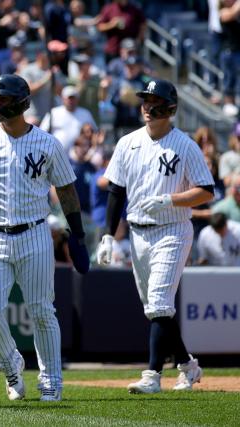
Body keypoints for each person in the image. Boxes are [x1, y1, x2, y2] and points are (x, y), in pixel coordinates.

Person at [0, 74, 90, 402]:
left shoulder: (47, 143)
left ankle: (51, 379)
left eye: (2, 100)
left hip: (34, 233)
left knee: (42, 310)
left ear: (20, 103)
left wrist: (78, 235)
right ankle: (12, 365)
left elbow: (66, 188)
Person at [96, 79, 213, 394]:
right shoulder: (127, 142)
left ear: (171, 109)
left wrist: (170, 200)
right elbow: (116, 192)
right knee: (156, 309)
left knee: (160, 304)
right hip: (137, 233)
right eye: (145, 101)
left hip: (173, 230)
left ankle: (152, 375)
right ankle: (188, 365)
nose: (148, 107)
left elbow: (206, 191)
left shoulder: (185, 145)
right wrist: (108, 236)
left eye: (155, 102)